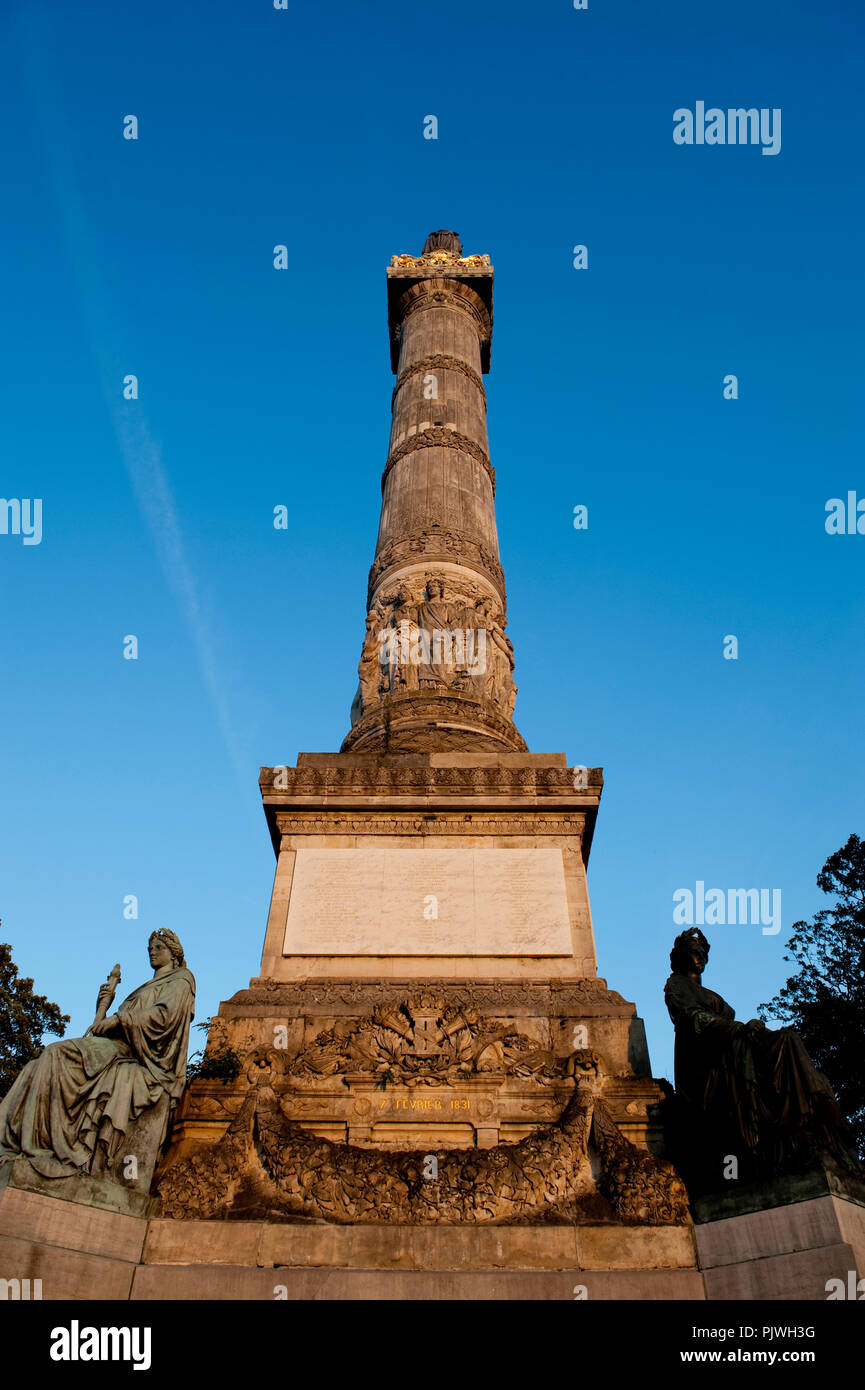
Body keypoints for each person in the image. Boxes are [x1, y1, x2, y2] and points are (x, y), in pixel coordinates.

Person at [0, 929, 194, 1180]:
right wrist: (102, 1009)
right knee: (34, 1066)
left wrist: (119, 1018)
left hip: (133, 1052)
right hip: (114, 1046)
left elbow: (163, 1018)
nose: (152, 953)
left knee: (55, 1054)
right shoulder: (148, 986)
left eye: (159, 948)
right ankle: (24, 1143)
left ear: (174, 954)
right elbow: (101, 1028)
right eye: (150, 949)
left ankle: (41, 1145)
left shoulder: (181, 981)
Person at [664, 928, 855, 1176]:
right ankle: (802, 1121)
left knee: (789, 1040)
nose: (700, 957)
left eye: (702, 952)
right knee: (785, 1042)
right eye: (693, 952)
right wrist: (738, 1029)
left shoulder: (709, 993)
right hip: (708, 1065)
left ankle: (810, 1117)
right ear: (680, 956)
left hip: (732, 1049)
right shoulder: (677, 984)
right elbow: (694, 1019)